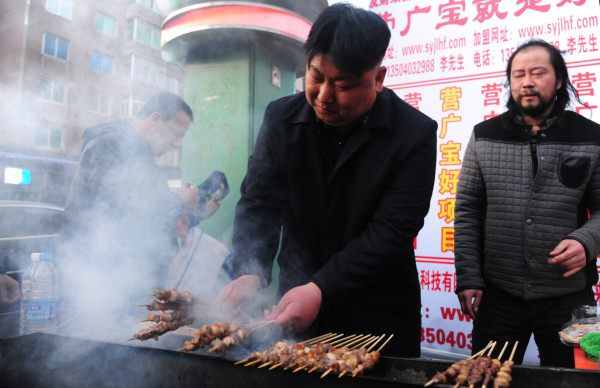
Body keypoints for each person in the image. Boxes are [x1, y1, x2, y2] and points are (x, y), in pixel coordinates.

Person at [216, 3, 438, 357]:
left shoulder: (414, 133)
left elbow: (393, 229)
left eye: (343, 85)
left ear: (378, 79)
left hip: (378, 316)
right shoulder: (281, 119)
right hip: (294, 306)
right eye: (316, 77)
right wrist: (249, 270)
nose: (323, 97)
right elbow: (260, 201)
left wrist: (322, 288)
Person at [454, 39, 600, 367]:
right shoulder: (483, 135)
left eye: (538, 72)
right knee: (485, 376)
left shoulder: (592, 136)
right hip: (497, 296)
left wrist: (587, 241)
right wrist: (468, 276)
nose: (527, 82)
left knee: (583, 378)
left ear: (559, 80)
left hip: (573, 295)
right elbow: (467, 209)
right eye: (518, 74)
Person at [58, 92, 200, 312]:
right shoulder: (110, 143)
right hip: (102, 289)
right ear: (155, 118)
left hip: (131, 286)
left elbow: (145, 218)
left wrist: (188, 215)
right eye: (176, 134)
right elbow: (114, 211)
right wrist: (177, 201)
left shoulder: (143, 158)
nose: (176, 144)